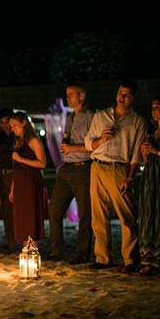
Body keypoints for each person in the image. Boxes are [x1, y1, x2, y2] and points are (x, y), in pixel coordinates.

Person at [84, 80, 147, 273]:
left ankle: (130, 259)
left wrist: (129, 177)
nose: (122, 97)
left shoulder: (137, 121)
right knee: (98, 215)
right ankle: (102, 257)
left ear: (133, 98)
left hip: (119, 168)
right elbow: (88, 142)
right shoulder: (101, 116)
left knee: (126, 215)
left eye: (127, 94)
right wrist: (100, 140)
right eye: (120, 92)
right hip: (97, 166)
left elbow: (137, 153)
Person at [47, 82, 95, 264]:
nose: (67, 98)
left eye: (71, 94)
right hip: (66, 168)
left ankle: (82, 253)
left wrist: (74, 147)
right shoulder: (70, 117)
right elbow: (66, 139)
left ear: (81, 96)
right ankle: (57, 251)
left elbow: (96, 146)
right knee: (54, 210)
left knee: (85, 214)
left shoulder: (91, 117)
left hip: (83, 167)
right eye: (67, 95)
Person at [137, 96, 160, 276]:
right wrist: (144, 154)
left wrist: (158, 152)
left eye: (157, 106)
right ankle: (149, 260)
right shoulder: (151, 133)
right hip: (151, 179)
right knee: (149, 217)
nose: (154, 110)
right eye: (152, 107)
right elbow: (145, 160)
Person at [9, 112, 47, 247]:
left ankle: (32, 250)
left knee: (30, 218)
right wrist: (13, 188)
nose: (12, 128)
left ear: (24, 123)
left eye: (15, 125)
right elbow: (16, 168)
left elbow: (42, 163)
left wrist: (21, 159)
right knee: (22, 219)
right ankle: (26, 250)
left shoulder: (33, 140)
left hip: (30, 184)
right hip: (20, 184)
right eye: (11, 126)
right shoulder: (18, 142)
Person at [0, 108, 16, 253]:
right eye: (2, 122)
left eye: (7, 122)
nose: (5, 125)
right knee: (7, 213)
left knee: (19, 211)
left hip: (16, 175)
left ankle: (25, 242)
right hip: (2, 176)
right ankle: (12, 245)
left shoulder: (18, 136)